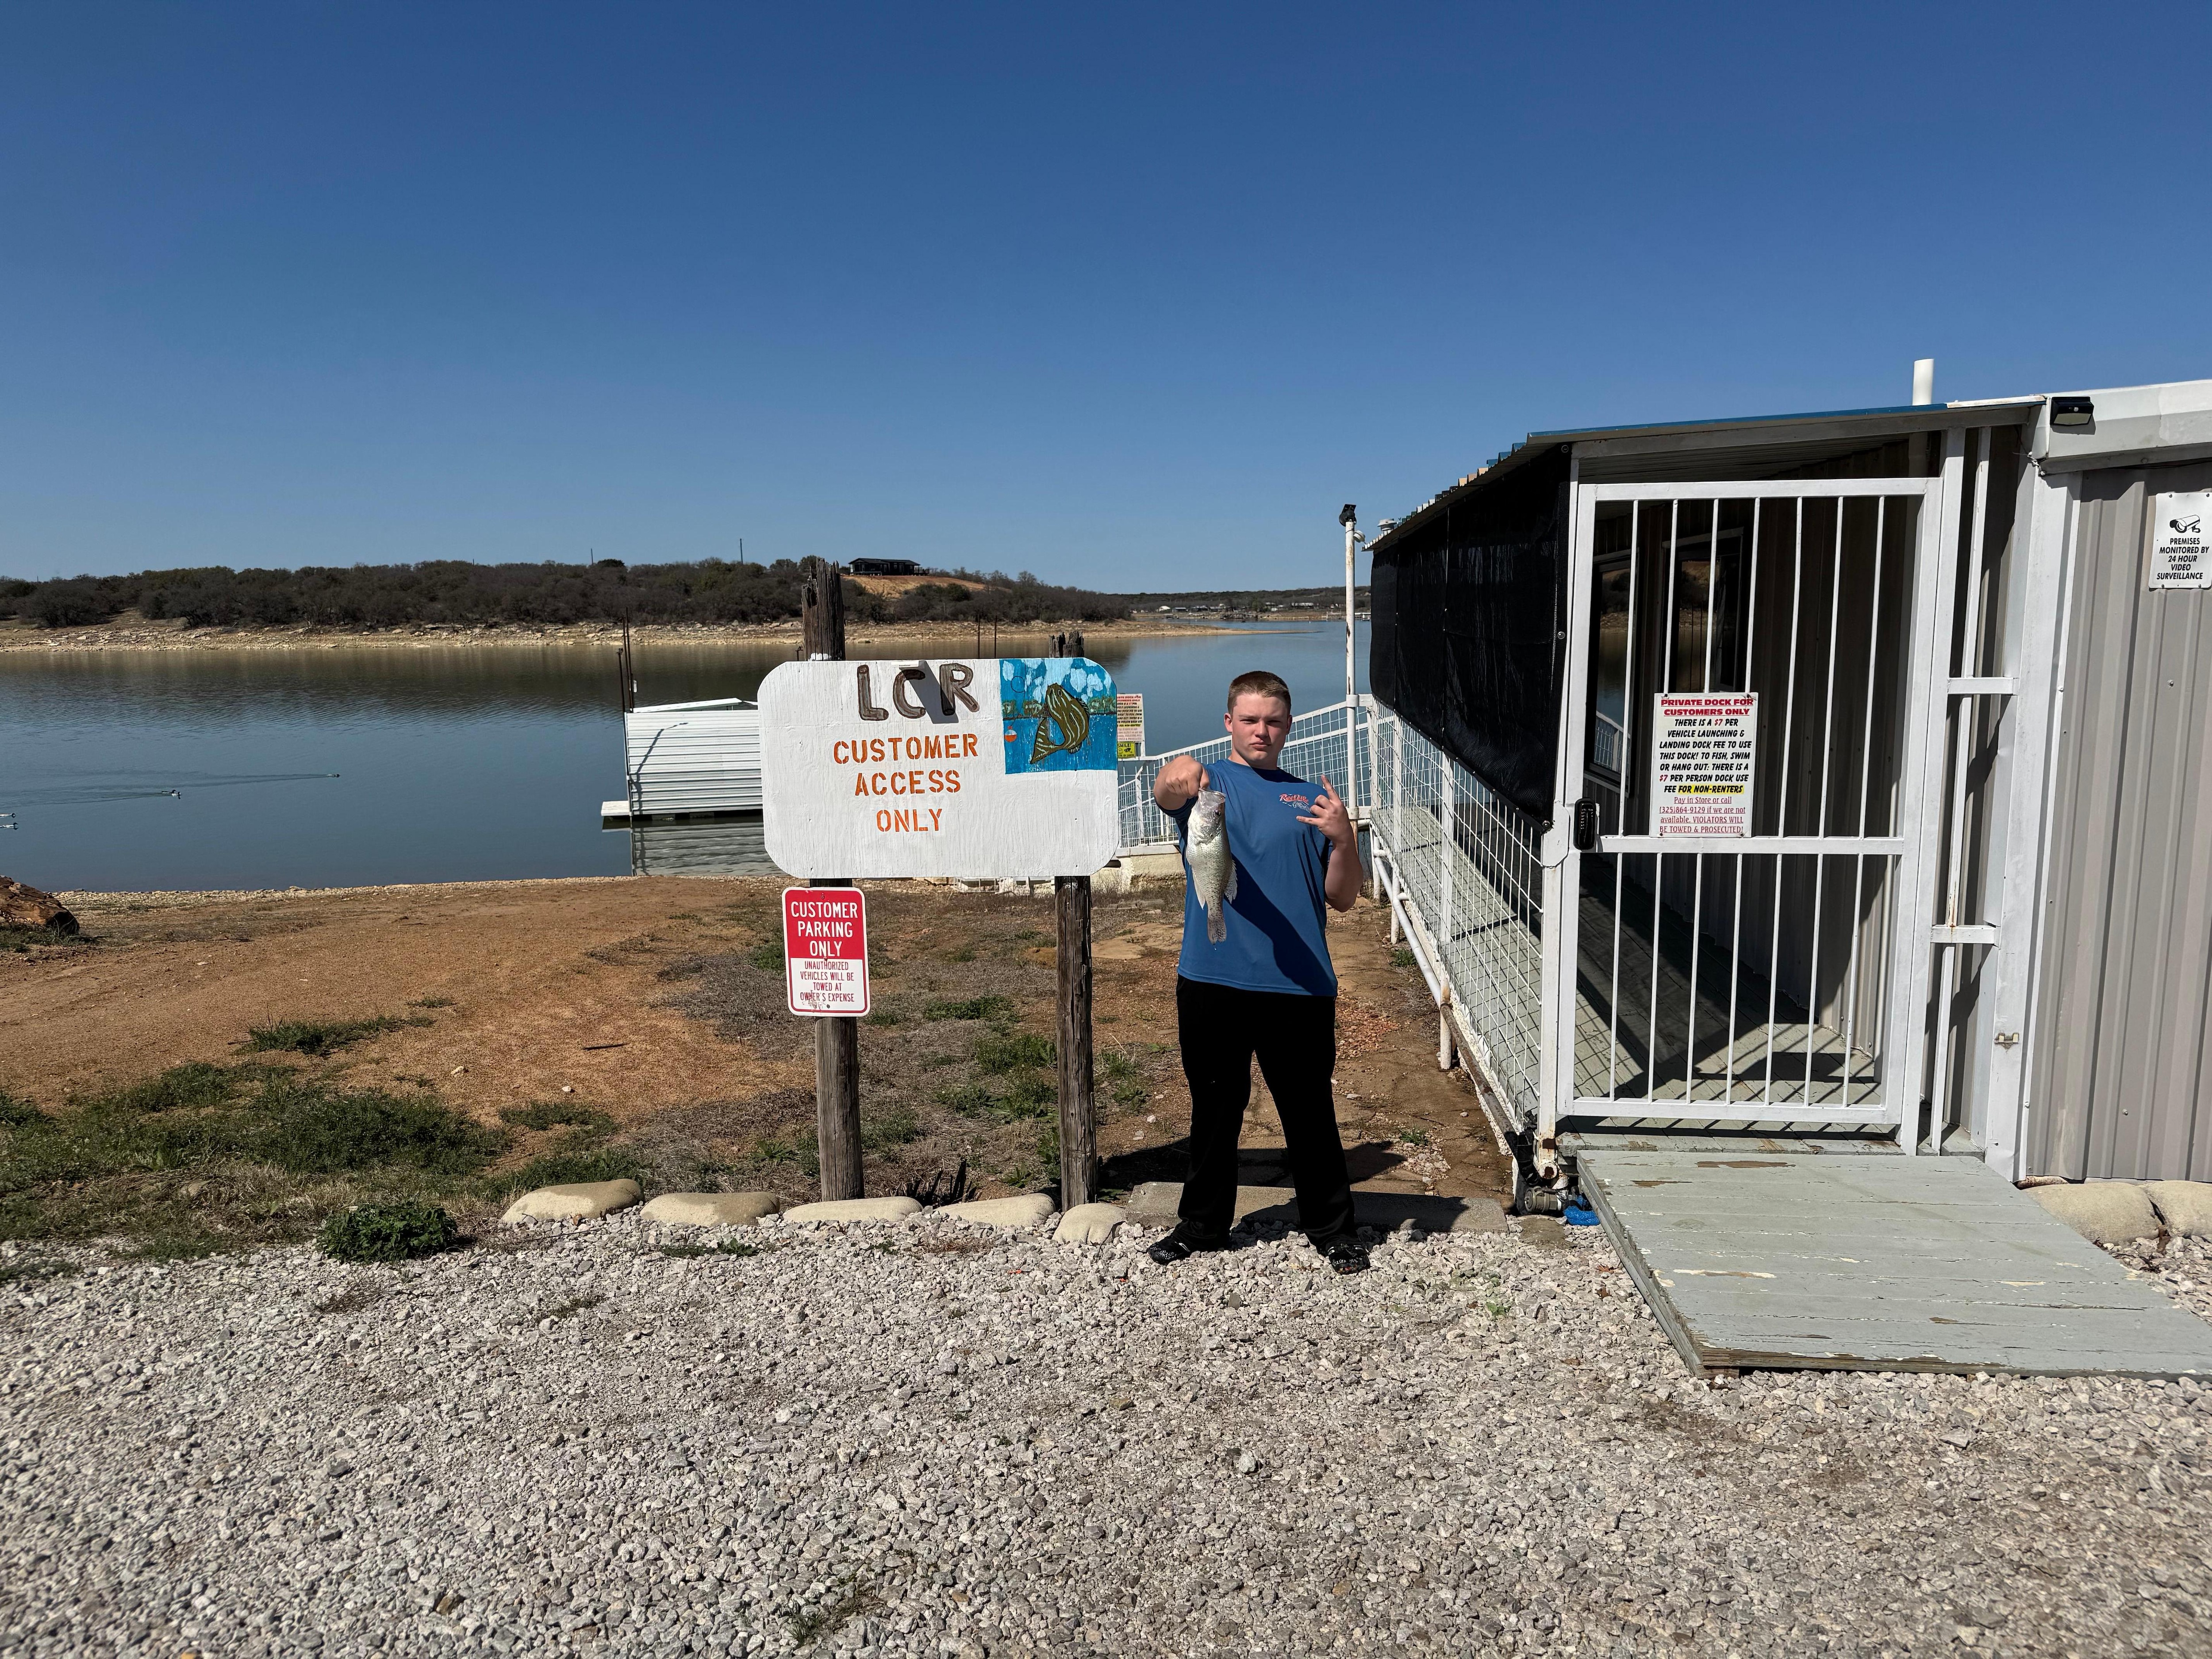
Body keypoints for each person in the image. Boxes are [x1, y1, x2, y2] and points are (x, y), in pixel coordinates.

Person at [1148, 669, 1368, 1275]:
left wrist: (1344, 839)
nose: (1261, 731)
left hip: (1298, 984)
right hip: (1211, 977)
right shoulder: (1208, 787)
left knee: (1309, 1111)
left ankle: (1332, 1228)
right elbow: (1166, 791)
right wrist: (1179, 771)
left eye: (1272, 721)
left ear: (1289, 726)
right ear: (1229, 723)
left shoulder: (1312, 799)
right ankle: (1201, 1225)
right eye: (1249, 720)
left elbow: (1344, 898)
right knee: (1214, 1107)